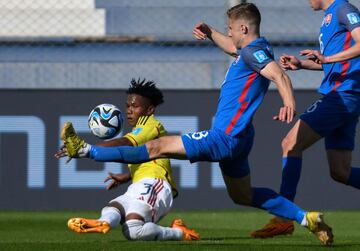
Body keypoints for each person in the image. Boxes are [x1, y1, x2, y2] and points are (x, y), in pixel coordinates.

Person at [57, 3, 333, 245]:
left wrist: (289, 104)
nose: (230, 34)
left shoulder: (252, 54)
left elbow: (280, 77)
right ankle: (306, 218)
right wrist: (212, 32)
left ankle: (84, 150)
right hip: (240, 138)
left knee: (155, 147)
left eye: (232, 29)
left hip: (223, 137)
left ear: (244, 30)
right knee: (242, 195)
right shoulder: (254, 48)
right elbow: (234, 48)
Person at [251, 0, 360, 239]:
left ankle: (284, 218)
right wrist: (303, 64)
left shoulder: (344, 9)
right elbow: (334, 61)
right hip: (345, 94)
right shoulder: (332, 15)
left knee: (290, 144)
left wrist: (328, 59)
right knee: (340, 171)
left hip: (341, 95)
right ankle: (285, 218)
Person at [61, 78, 200, 241]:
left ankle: (179, 233)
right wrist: (127, 175)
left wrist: (87, 148)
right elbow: (146, 157)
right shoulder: (141, 129)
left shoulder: (151, 125)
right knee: (116, 207)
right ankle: (102, 222)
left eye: (135, 106)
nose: (129, 110)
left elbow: (125, 143)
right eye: (127, 106)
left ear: (149, 109)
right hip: (141, 184)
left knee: (133, 229)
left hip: (156, 184)